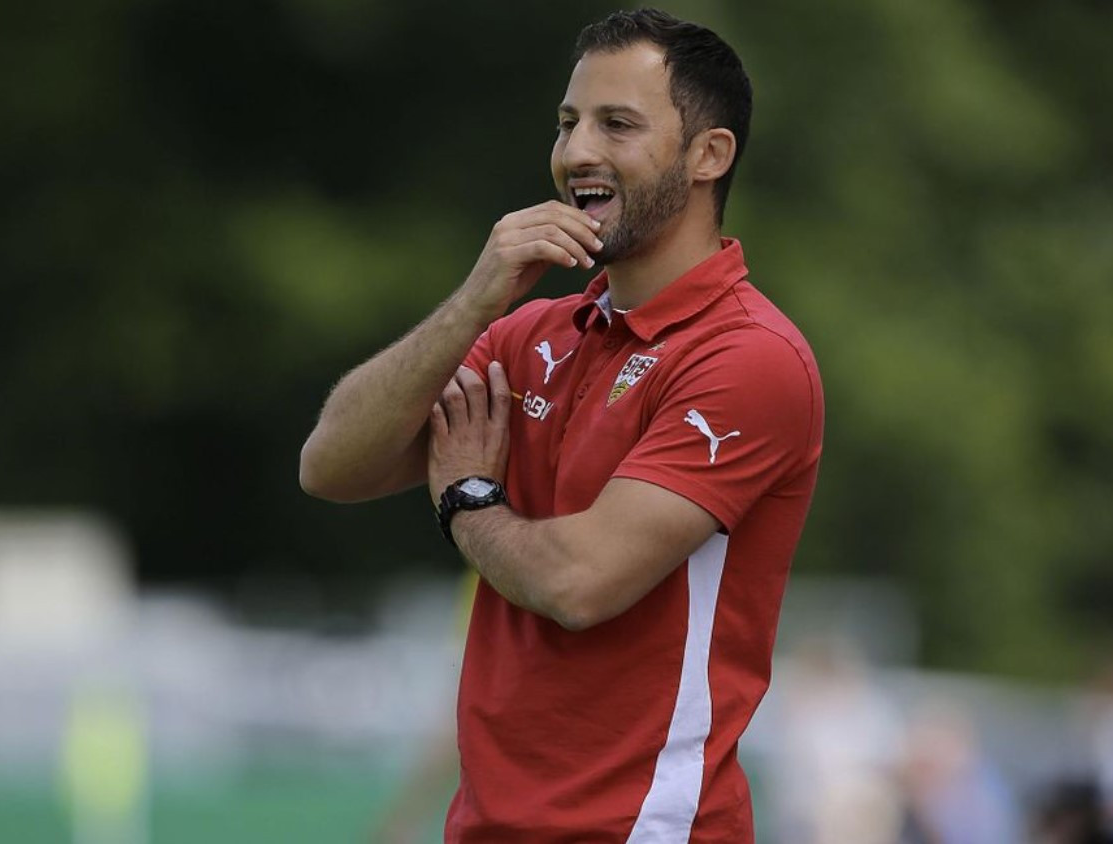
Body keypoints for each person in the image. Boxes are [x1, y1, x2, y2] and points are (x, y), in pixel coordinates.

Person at [300, 8, 824, 841]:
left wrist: (468, 500)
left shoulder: (750, 357)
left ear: (709, 155)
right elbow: (332, 465)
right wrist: (473, 303)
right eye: (568, 122)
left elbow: (580, 585)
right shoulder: (531, 332)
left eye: (617, 124)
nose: (576, 151)